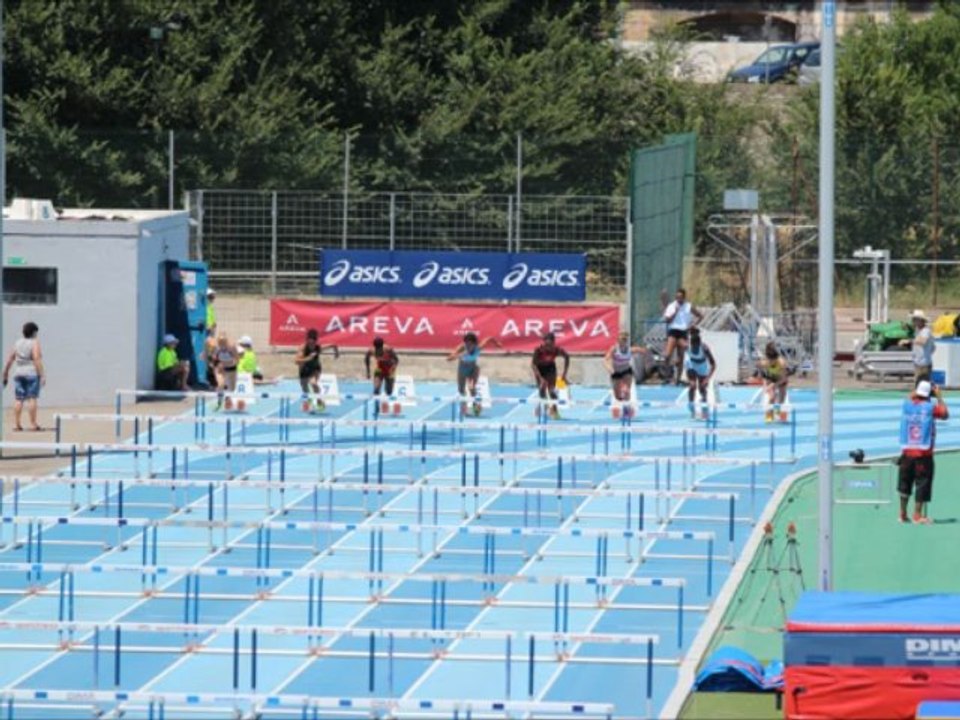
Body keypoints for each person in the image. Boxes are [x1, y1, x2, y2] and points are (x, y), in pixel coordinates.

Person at [897, 379, 948, 524]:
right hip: (923, 454)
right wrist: (939, 396)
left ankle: (902, 514)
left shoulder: (906, 406)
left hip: (906, 452)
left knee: (905, 482)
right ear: (929, 394)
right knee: (922, 483)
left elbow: (910, 396)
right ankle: (917, 515)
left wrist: (918, 390)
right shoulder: (930, 408)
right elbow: (944, 414)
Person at [2, 322, 46, 431]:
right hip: (31, 373)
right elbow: (36, 358)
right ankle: (33, 424)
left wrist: (5, 372)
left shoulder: (17, 343)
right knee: (32, 398)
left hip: (19, 373)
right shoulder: (34, 343)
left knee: (19, 399)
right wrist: (42, 374)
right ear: (34, 332)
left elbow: (10, 358)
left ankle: (17, 424)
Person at [447, 332, 503, 415]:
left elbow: (489, 338)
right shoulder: (462, 348)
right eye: (467, 344)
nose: (468, 346)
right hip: (462, 369)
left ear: (474, 344)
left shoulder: (478, 347)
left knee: (472, 388)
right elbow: (449, 358)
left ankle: (477, 408)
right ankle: (464, 409)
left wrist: (497, 343)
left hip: (472, 369)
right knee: (461, 390)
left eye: (470, 345)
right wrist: (460, 354)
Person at [662, 288, 703, 385]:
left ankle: (678, 379)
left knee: (682, 355)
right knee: (667, 355)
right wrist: (675, 312)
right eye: (677, 297)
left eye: (680, 297)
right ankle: (667, 376)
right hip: (673, 331)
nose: (679, 299)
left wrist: (693, 325)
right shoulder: (672, 306)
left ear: (684, 297)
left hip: (683, 332)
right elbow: (667, 320)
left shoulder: (688, 306)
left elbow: (700, 316)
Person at [295, 328, 339, 411]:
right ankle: (309, 401)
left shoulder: (318, 347)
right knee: (305, 389)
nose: (312, 345)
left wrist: (337, 353)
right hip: (304, 370)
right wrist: (307, 358)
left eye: (313, 343)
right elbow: (296, 361)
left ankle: (319, 400)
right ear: (307, 340)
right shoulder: (302, 349)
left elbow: (333, 345)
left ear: (316, 341)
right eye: (310, 343)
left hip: (315, 369)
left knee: (313, 383)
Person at [603, 331, 646, 416]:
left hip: (626, 371)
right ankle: (621, 400)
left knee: (627, 390)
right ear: (618, 341)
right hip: (616, 373)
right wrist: (610, 369)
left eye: (625, 340)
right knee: (617, 396)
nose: (623, 342)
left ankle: (626, 409)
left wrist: (645, 352)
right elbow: (606, 360)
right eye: (621, 340)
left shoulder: (630, 349)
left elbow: (642, 350)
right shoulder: (614, 349)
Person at [531, 332, 570, 419]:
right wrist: (541, 378)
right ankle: (543, 406)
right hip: (539, 370)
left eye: (550, 345)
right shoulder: (538, 350)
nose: (548, 347)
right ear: (543, 342)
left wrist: (564, 374)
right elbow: (533, 365)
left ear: (553, 343)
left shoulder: (556, 350)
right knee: (542, 389)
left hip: (550, 369)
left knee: (552, 391)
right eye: (546, 344)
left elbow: (567, 357)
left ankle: (555, 410)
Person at [685, 328, 717, 420]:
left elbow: (714, 365)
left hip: (702, 366)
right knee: (692, 386)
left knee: (702, 388)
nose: (694, 348)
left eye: (696, 346)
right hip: (691, 364)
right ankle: (692, 410)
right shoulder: (687, 346)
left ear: (699, 344)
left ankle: (704, 411)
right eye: (693, 346)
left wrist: (707, 379)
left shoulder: (704, 348)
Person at [900, 309, 934, 383]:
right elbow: (933, 347)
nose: (913, 321)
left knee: (923, 386)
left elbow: (922, 341)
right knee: (919, 385)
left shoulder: (926, 330)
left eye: (915, 319)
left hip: (924, 364)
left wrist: (908, 341)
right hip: (918, 362)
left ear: (921, 320)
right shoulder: (918, 330)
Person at [758, 341, 789, 423]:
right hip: (771, 378)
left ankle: (777, 414)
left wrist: (775, 385)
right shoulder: (764, 363)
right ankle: (769, 417)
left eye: (773, 361)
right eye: (770, 361)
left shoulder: (781, 363)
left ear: (776, 359)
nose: (771, 363)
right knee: (772, 397)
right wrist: (765, 386)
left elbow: (784, 379)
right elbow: (763, 376)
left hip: (781, 379)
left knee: (781, 399)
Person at [210, 333, 239, 408]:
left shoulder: (232, 347)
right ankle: (219, 400)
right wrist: (217, 365)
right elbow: (213, 360)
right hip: (221, 369)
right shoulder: (216, 348)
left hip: (231, 368)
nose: (222, 344)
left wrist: (229, 363)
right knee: (220, 384)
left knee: (232, 388)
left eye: (223, 342)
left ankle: (228, 398)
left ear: (227, 342)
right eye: (220, 342)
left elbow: (237, 360)